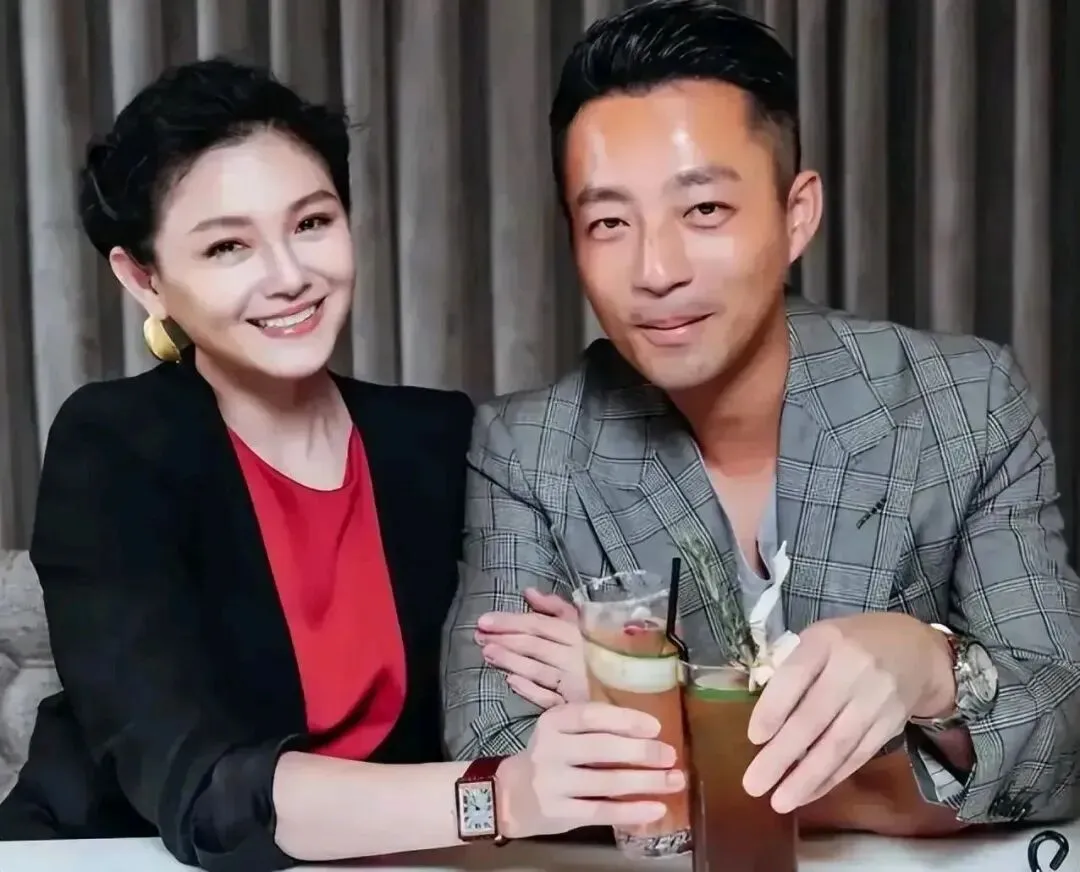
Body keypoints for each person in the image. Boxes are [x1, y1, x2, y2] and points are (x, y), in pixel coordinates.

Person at [0, 59, 687, 872]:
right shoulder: (114, 448)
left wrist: (598, 682)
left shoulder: (440, 437)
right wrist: (500, 795)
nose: (290, 276)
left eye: (312, 223)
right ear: (144, 279)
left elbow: (509, 684)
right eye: (227, 246)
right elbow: (209, 794)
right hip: (114, 857)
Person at [443, 0, 1080, 838]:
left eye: (704, 210)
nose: (656, 269)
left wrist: (932, 668)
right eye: (608, 223)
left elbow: (1063, 735)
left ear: (795, 214)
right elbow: (493, 752)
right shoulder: (527, 448)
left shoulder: (962, 400)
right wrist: (898, 786)